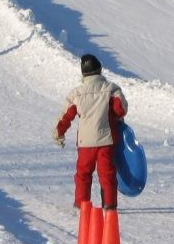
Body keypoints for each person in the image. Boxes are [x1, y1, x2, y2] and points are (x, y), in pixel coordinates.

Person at [54, 54, 128, 210]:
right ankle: (109, 205)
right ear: (100, 70)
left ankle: (82, 203)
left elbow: (66, 116)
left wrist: (59, 132)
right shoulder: (111, 89)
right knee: (107, 174)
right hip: (105, 140)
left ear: (83, 74)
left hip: (85, 142)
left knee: (83, 173)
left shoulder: (77, 94)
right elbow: (120, 109)